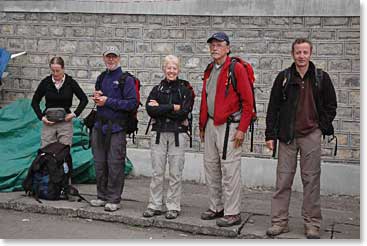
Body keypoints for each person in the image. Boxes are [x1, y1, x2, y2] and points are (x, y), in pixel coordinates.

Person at [265, 38, 337, 239]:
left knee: (311, 181)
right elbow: (273, 108)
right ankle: (279, 222)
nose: (302, 56)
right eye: (298, 52)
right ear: (292, 54)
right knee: (283, 181)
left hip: (311, 135)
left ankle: (312, 224)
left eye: (305, 52)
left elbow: (331, 106)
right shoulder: (284, 77)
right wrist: (270, 134)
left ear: (310, 53)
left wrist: (321, 127)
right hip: (287, 137)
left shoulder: (321, 77)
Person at [199, 32, 254, 227]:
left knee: (230, 169)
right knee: (211, 167)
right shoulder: (210, 69)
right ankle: (216, 207)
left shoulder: (236, 68)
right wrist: (202, 125)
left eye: (219, 44)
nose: (215, 48)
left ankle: (233, 212)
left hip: (230, 127)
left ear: (228, 48)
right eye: (212, 45)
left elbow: (249, 103)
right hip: (211, 124)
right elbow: (206, 99)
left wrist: (242, 129)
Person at [142, 55, 193, 220]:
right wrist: (172, 107)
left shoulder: (185, 89)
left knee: (175, 173)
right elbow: (150, 110)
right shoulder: (157, 89)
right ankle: (154, 205)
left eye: (174, 68)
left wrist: (162, 108)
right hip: (159, 133)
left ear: (179, 70)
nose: (171, 71)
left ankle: (173, 206)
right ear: (164, 69)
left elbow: (184, 112)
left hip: (178, 134)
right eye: (169, 68)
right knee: (157, 172)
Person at [89, 46, 138, 212]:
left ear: (119, 58)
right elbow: (99, 97)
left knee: (115, 164)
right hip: (99, 126)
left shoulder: (126, 79)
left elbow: (132, 103)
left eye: (113, 57)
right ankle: (101, 196)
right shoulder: (102, 77)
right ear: (103, 58)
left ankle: (113, 199)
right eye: (107, 57)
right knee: (99, 163)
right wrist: (96, 98)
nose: (110, 60)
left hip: (117, 128)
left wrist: (108, 101)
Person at [31, 56, 88, 148]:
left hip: (65, 122)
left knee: (64, 151)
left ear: (63, 68)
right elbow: (34, 101)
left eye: (58, 71)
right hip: (48, 123)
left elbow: (84, 99)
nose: (55, 73)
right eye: (53, 70)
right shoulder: (46, 82)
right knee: (46, 151)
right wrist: (41, 117)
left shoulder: (70, 82)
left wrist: (74, 114)